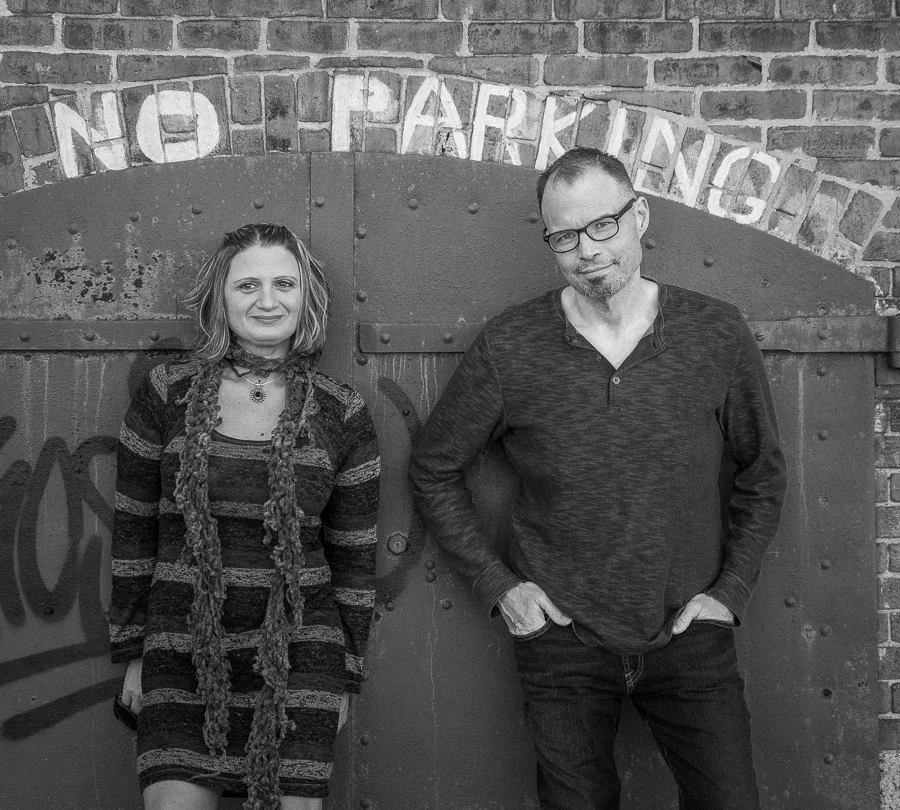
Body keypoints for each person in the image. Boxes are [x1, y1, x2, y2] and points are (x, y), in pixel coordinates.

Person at [408, 147, 787, 810]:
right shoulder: (511, 346)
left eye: (603, 226)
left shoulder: (715, 333)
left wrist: (730, 590)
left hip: (691, 639)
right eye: (564, 236)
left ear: (639, 216)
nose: (587, 250)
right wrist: (501, 587)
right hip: (563, 647)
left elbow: (763, 470)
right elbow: (434, 465)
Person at [109, 223, 380, 810]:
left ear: (307, 296)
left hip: (299, 658)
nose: (266, 300)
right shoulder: (166, 395)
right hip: (180, 652)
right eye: (247, 284)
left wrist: (345, 677)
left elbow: (354, 560)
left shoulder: (341, 413)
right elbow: (134, 531)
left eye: (285, 283)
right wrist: (133, 652)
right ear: (219, 297)